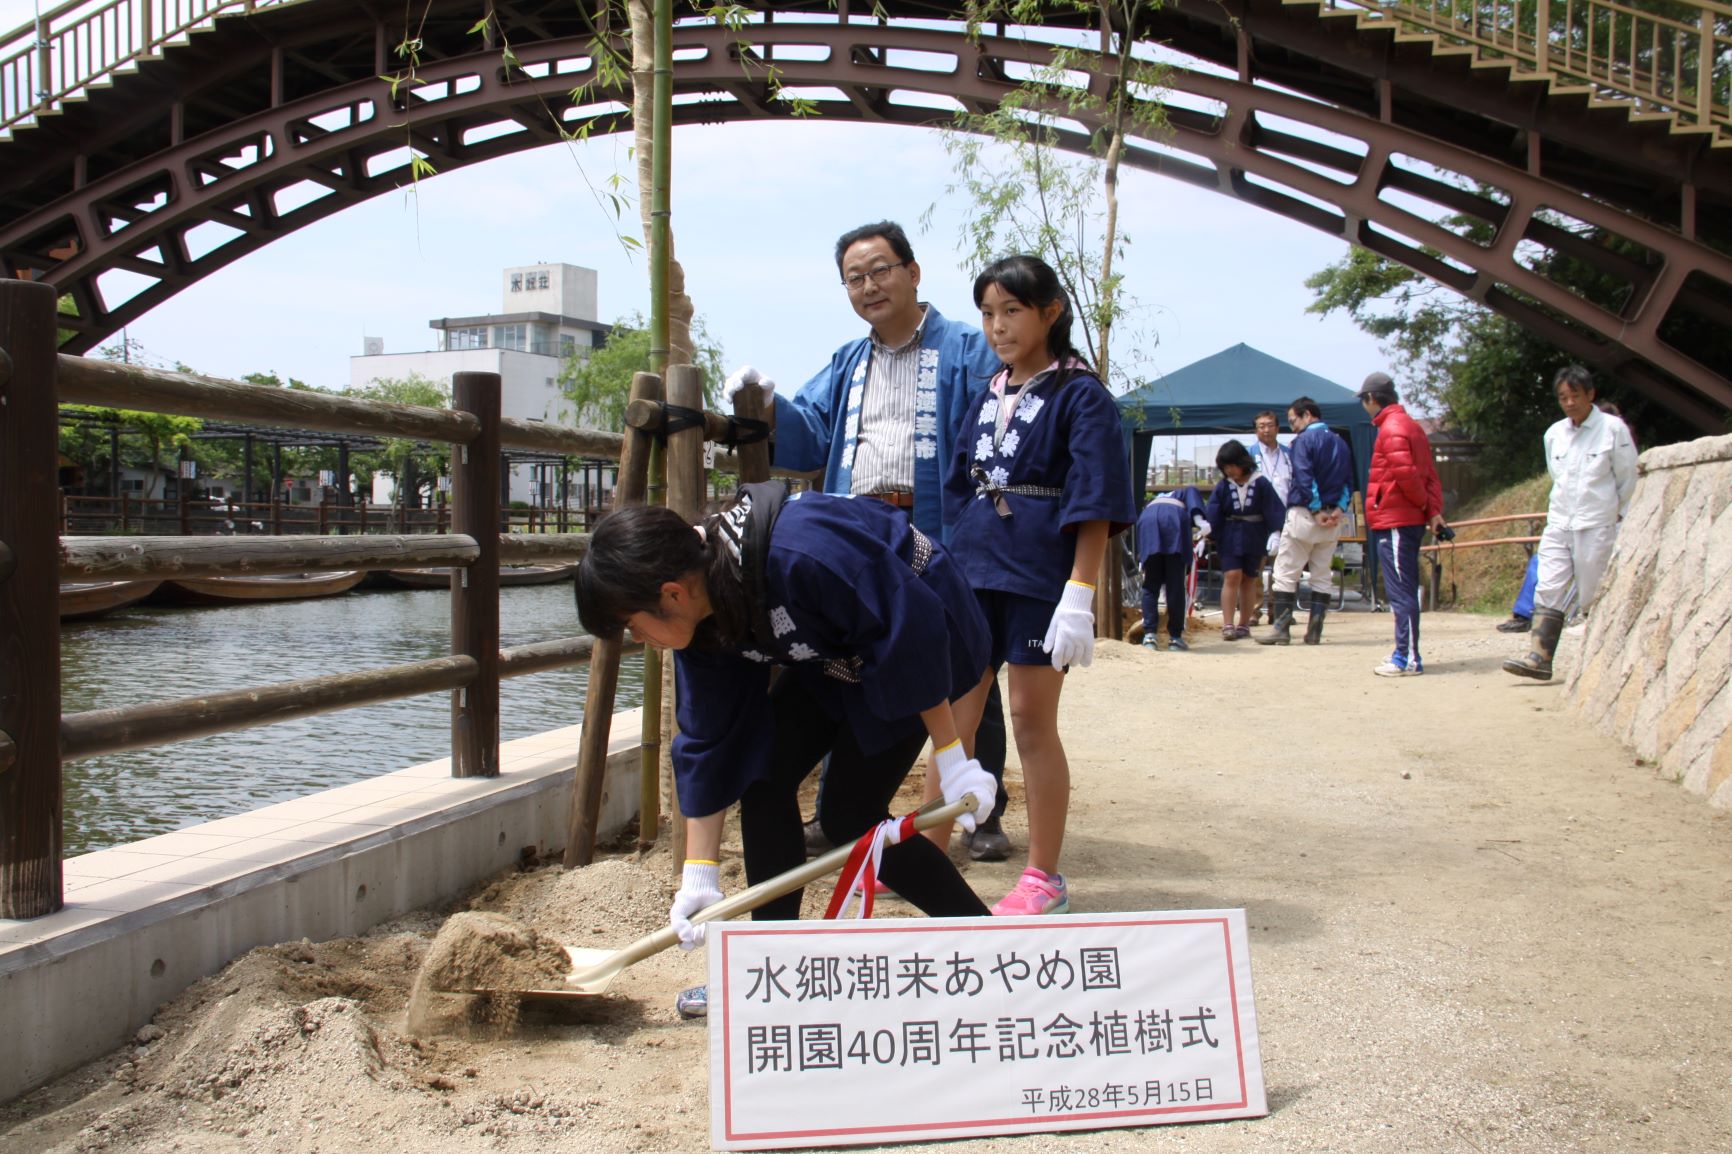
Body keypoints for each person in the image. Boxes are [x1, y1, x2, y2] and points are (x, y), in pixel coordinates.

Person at [574, 484, 998, 953]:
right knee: (763, 780)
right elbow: (710, 741)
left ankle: (989, 940)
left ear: (670, 593)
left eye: (632, 625)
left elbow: (906, 627)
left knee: (850, 814)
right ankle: (772, 960)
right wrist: (699, 877)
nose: (637, 638)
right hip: (829, 649)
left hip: (916, 625)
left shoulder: (801, 551)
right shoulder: (699, 624)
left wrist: (953, 759)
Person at [721, 221, 1014, 863]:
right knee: (847, 666)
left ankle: (982, 811)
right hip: (858, 536)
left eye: (881, 269)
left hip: (938, 529)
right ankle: (842, 806)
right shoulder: (850, 361)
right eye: (855, 277)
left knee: (966, 667)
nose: (869, 286)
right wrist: (768, 409)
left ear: (913, 271)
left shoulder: (968, 349)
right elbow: (810, 432)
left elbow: (996, 436)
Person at [941, 254, 1136, 917]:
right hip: (971, 570)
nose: (998, 326)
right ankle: (931, 848)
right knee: (952, 718)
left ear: (1051, 312)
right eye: (989, 313)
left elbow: (1096, 498)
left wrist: (1078, 596)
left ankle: (1043, 875)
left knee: (1028, 720)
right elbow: (959, 482)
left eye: (1012, 311)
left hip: (1036, 576)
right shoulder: (988, 389)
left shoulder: (1082, 395)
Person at [1504, 367, 1637, 680]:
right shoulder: (1554, 434)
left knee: (1593, 590)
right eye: (1563, 397)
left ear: (1590, 394)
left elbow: (1627, 476)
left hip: (1597, 523)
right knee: (1548, 584)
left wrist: (1617, 515)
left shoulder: (1612, 430)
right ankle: (1539, 657)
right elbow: (1556, 476)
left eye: (1575, 395)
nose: (1569, 403)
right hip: (1560, 520)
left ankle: (1603, 659)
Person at [1495, 400, 1632, 635]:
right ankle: (1530, 625)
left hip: (1605, 526)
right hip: (1567, 524)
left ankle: (1592, 620)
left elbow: (1626, 484)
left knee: (1590, 569)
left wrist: (1615, 514)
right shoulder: (1558, 438)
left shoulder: (1618, 442)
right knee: (1542, 565)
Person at [1358, 372, 1447, 677]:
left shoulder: (1391, 428)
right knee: (1404, 588)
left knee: (1401, 591)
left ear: (1371, 399)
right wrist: (1433, 510)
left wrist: (1422, 504)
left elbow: (1407, 474)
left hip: (1396, 518)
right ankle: (1406, 651)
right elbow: (1429, 473)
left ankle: (1406, 656)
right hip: (1405, 518)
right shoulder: (1411, 426)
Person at [1255, 396, 1355, 646]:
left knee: (1286, 572)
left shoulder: (1303, 441)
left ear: (1307, 415)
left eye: (1293, 420)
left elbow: (1303, 477)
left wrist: (1316, 508)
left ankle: (1281, 630)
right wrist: (1339, 508)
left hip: (1305, 514)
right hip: (1333, 518)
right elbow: (1348, 481)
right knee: (1322, 574)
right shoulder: (1341, 442)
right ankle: (1314, 632)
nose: (1292, 426)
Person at [1204, 439, 1286, 640]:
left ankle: (1244, 624)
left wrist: (1276, 532)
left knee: (1249, 578)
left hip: (1254, 534)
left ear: (1242, 462)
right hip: (1230, 534)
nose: (1229, 470)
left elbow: (1273, 509)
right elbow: (1214, 510)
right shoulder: (1224, 486)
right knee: (1232, 575)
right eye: (1225, 467)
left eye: (1232, 465)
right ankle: (1228, 623)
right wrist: (1209, 530)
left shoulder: (1261, 482)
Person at [1133, 487, 1209, 651]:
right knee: (1175, 586)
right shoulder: (1185, 491)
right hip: (1173, 520)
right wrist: (1200, 521)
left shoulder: (1155, 499)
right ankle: (1175, 637)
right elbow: (1194, 500)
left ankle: (1150, 636)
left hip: (1147, 520)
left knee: (1150, 584)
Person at [1247, 408, 1292, 623]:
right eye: (1261, 426)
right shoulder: (1248, 454)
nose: (1265, 430)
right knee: (1255, 567)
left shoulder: (1288, 454)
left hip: (1285, 516)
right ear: (1255, 430)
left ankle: (1278, 610)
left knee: (1283, 566)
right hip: (1257, 518)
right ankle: (1254, 611)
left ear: (1277, 428)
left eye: (1269, 425)